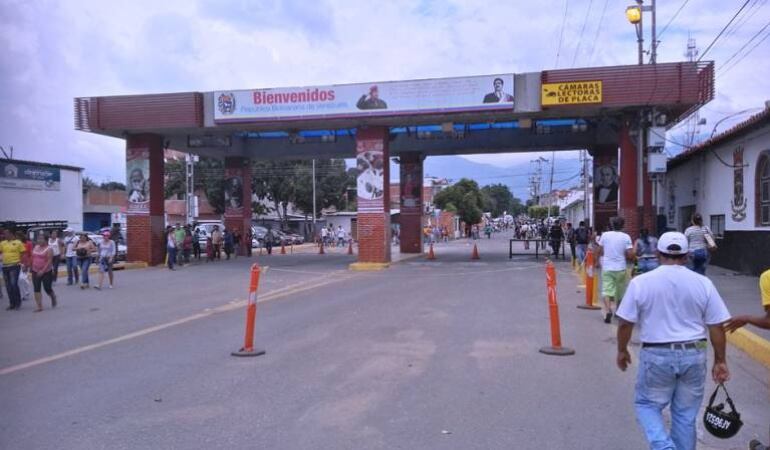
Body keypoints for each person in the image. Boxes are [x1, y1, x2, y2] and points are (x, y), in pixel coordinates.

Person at [615, 231, 731, 450]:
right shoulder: (703, 283)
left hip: (656, 354)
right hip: (694, 352)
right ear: (686, 256)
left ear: (658, 254)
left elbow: (625, 323)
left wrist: (622, 350)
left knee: (647, 404)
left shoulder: (641, 283)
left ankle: (663, 446)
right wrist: (720, 361)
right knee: (685, 415)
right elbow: (716, 326)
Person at [597, 216, 634, 323]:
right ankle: (618, 311)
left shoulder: (605, 235)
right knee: (620, 291)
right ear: (623, 225)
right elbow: (630, 254)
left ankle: (608, 310)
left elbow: (599, 250)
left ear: (612, 225)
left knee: (607, 290)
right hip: (621, 268)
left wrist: (596, 261)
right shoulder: (626, 237)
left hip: (607, 267)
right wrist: (632, 259)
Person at [0, 229, 26, 310]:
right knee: (8, 286)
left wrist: (22, 263)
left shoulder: (18, 242)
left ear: (11, 234)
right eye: (4, 234)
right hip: (5, 266)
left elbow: (23, 253)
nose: (4, 235)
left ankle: (18, 303)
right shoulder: (2, 243)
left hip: (15, 265)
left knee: (13, 284)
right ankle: (12, 303)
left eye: (6, 234)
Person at [30, 233, 57, 311]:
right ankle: (39, 306)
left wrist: (42, 271)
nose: (39, 240)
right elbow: (33, 257)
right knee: (36, 288)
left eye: (41, 239)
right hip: (35, 270)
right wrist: (30, 266)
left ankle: (53, 296)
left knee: (47, 288)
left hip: (46, 272)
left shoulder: (49, 249)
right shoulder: (36, 247)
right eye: (38, 239)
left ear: (46, 240)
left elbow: (49, 261)